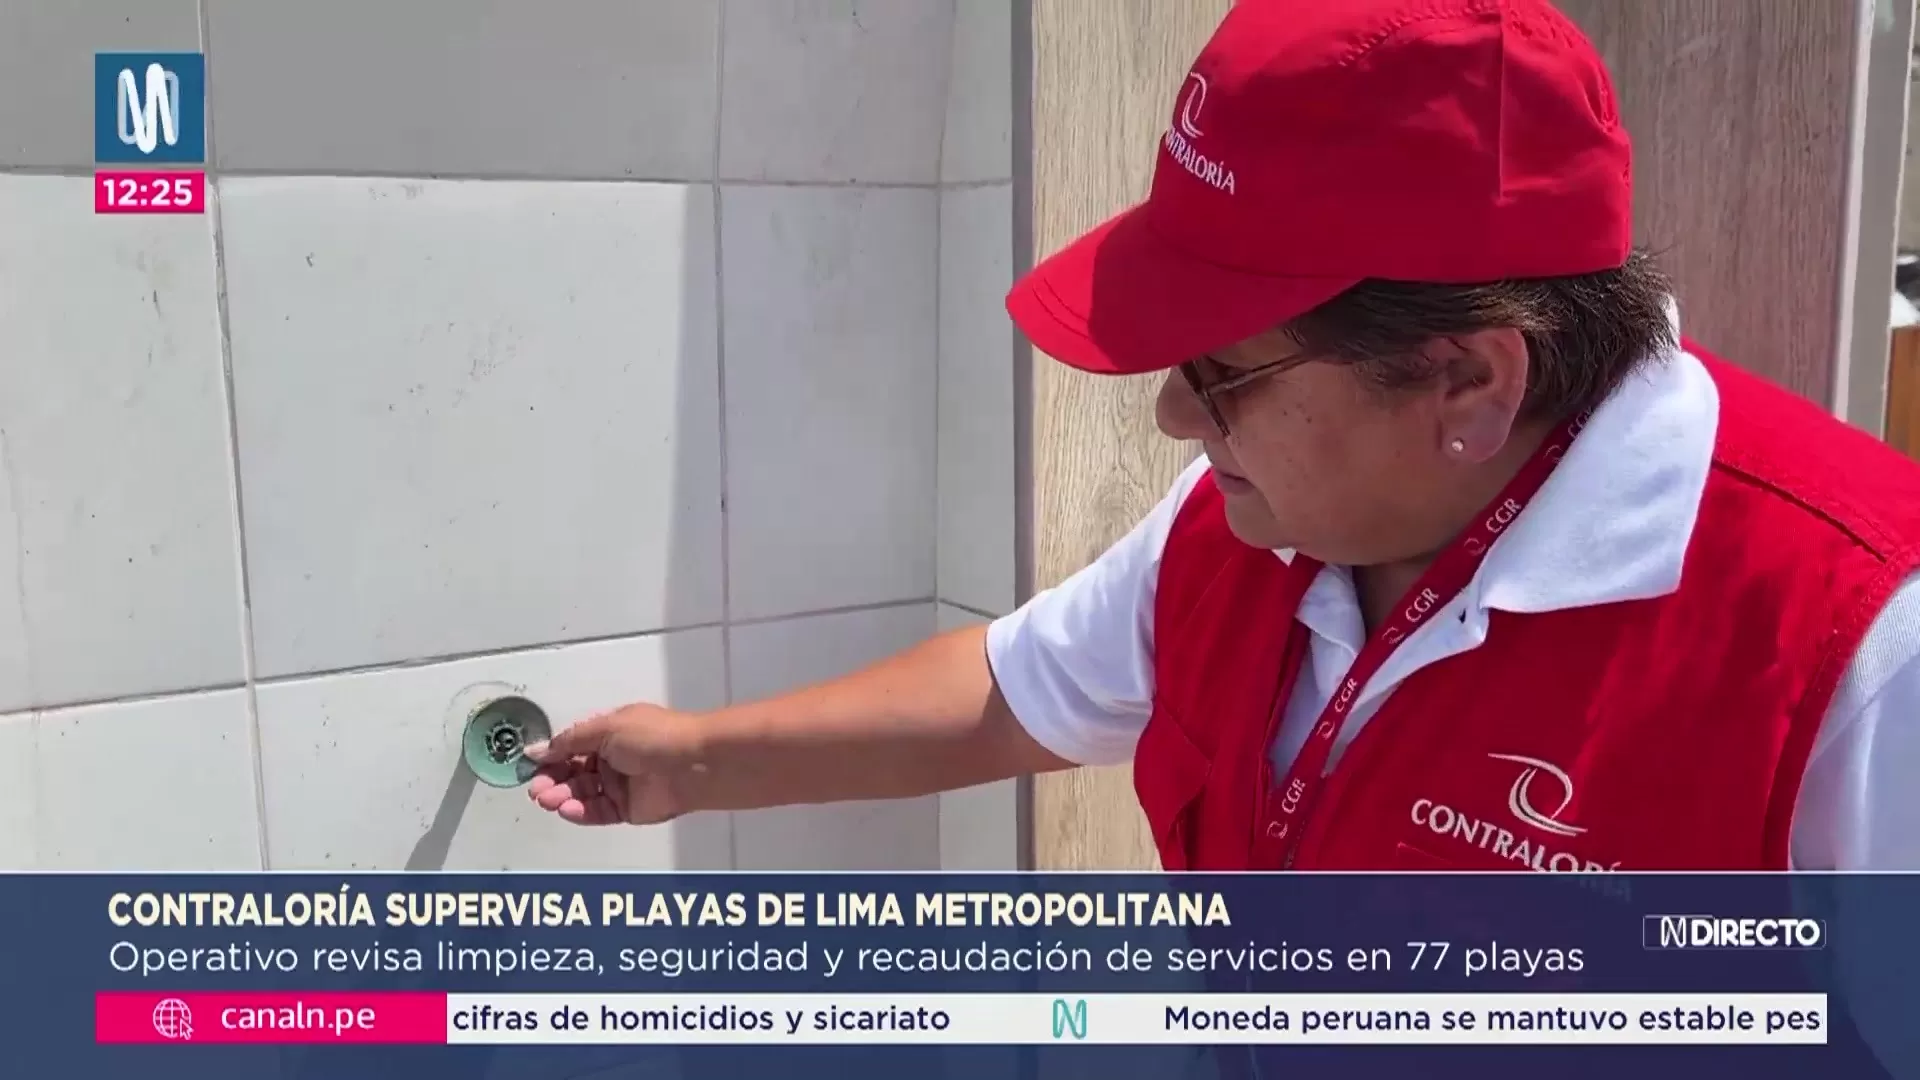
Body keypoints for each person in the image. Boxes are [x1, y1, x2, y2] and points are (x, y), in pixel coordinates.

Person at [525, 0, 1920, 871]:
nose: (1175, 417)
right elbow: (1019, 691)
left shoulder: (1860, 653)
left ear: (1469, 381)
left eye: (1223, 371)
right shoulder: (1257, 523)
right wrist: (696, 760)